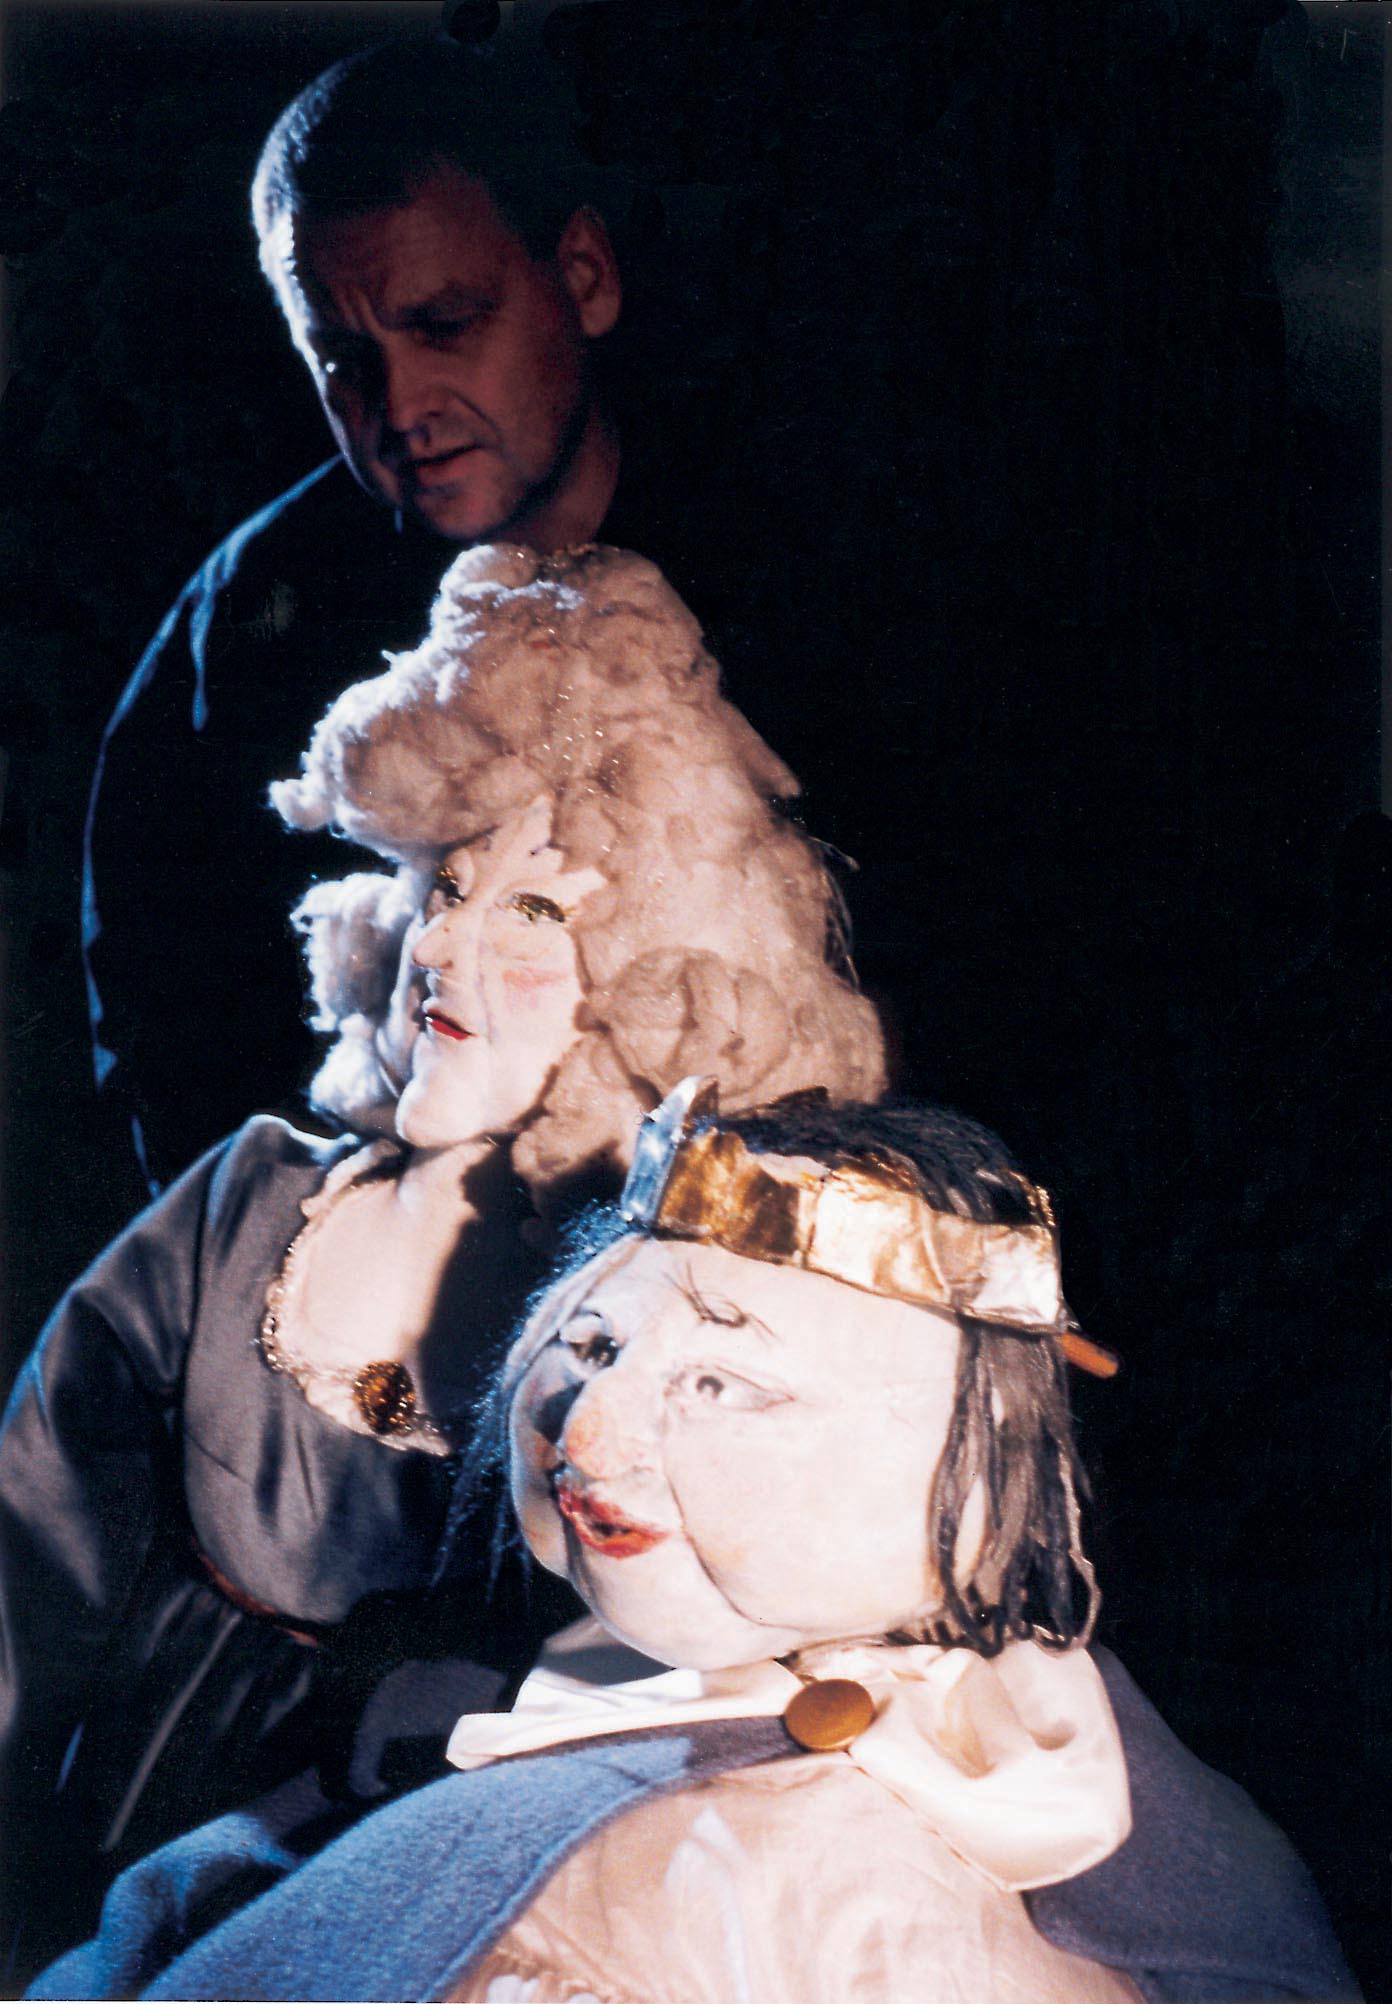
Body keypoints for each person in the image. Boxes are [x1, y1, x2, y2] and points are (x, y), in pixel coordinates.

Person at [1, 544, 885, 1983]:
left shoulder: (664, 1318)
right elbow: (29, 1564)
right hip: (120, 1841)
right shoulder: (247, 1204)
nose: (446, 947)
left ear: (646, 971)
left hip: (466, 1901)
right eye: (450, 888)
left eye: (532, 914)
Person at [35, 1081, 1358, 2002]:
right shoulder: (522, 1686)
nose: (586, 1429)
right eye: (593, 1344)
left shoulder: (819, 1890)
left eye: (722, 1383)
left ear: (952, 1470)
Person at [82, 31, 649, 1193]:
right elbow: (165, 1014)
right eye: (343, 358)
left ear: (584, 276)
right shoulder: (252, 618)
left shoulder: (814, 548)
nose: (399, 405)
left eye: (445, 324)